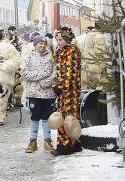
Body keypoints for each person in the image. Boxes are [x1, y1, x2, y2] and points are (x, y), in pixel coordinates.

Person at [22, 36, 56, 153]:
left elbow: (55, 73)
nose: (42, 45)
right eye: (40, 43)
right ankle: (33, 141)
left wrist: (45, 82)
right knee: (34, 116)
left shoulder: (51, 57)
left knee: (47, 117)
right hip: (34, 93)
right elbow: (25, 73)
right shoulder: (29, 57)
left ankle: (47, 141)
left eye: (44, 43)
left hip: (48, 93)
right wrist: (43, 74)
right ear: (35, 44)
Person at [52, 27, 82, 156]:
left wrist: (61, 86)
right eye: (57, 40)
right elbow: (58, 69)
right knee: (67, 115)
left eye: (60, 40)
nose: (58, 42)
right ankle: (74, 143)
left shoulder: (72, 51)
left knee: (66, 116)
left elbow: (71, 72)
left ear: (67, 40)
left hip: (70, 90)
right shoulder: (61, 51)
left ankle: (64, 146)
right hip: (63, 89)